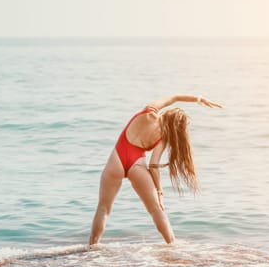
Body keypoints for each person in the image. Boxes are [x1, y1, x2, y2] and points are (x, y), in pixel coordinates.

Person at [89, 95, 223, 246]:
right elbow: (153, 165)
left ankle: (92, 247)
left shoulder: (149, 111)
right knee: (156, 210)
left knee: (103, 209)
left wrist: (198, 99)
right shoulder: (164, 137)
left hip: (117, 158)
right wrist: (159, 192)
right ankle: (172, 245)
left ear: (167, 114)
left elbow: (174, 97)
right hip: (137, 165)